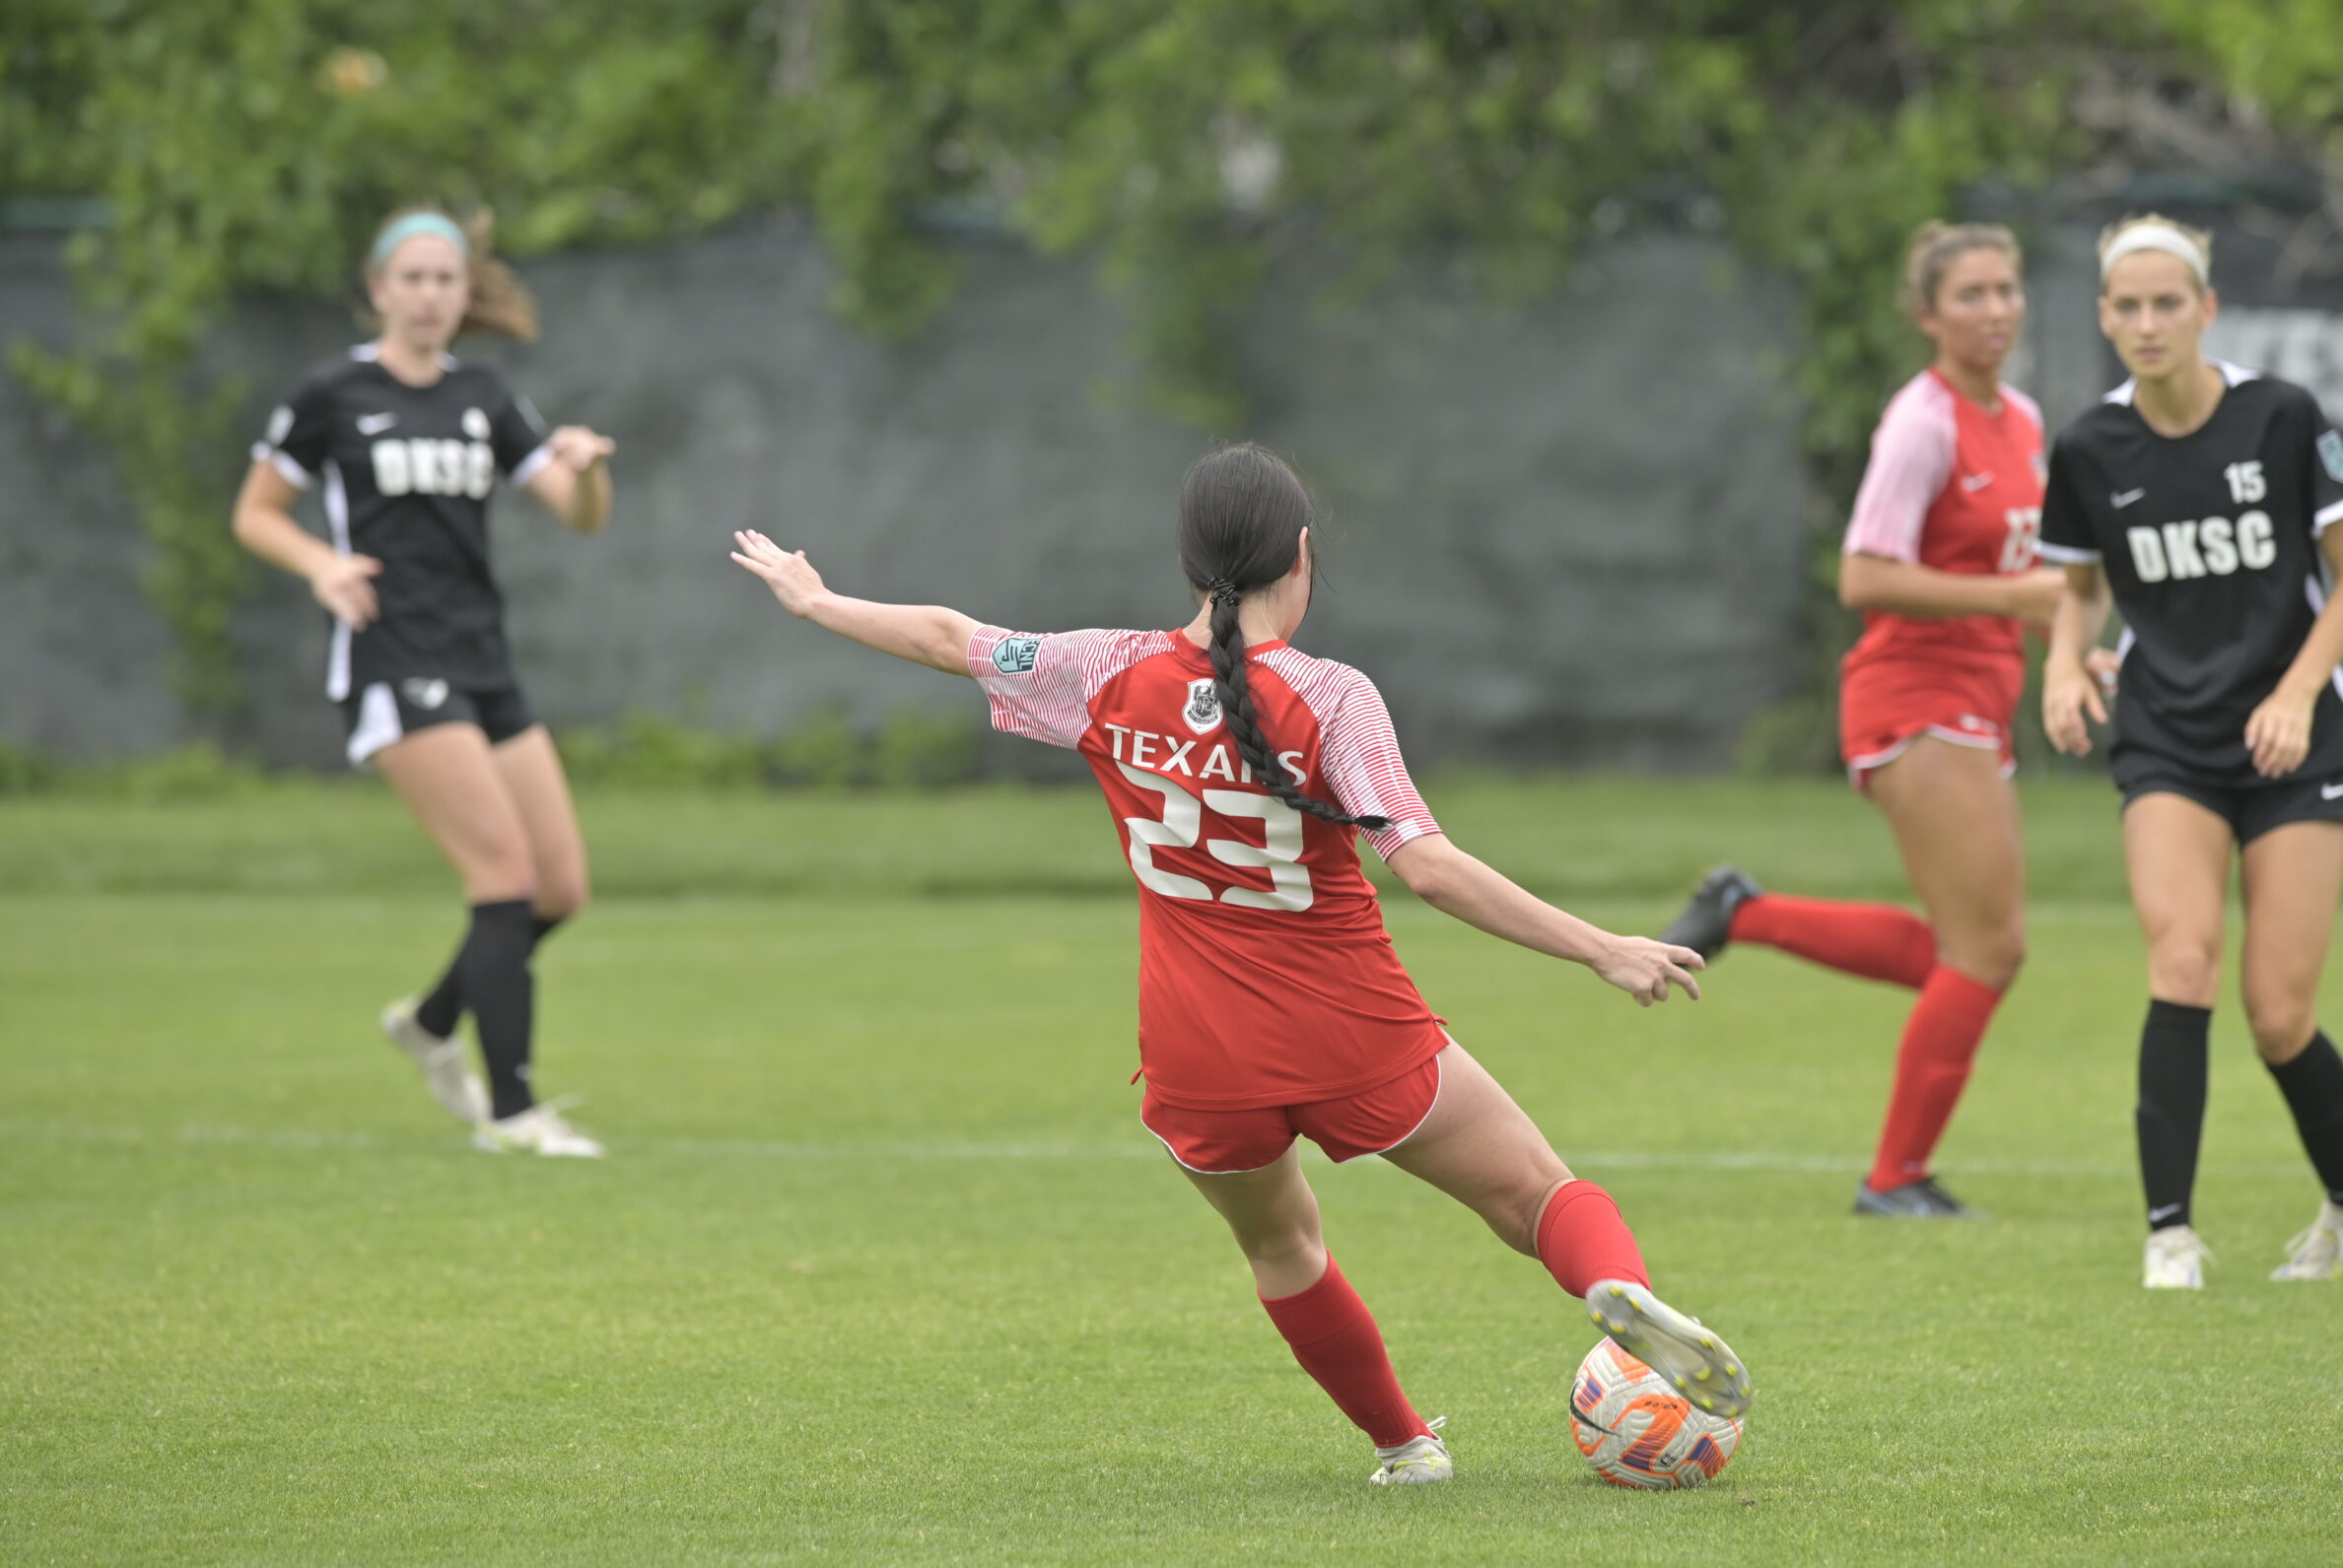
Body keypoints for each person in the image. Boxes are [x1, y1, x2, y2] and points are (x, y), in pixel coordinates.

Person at [729, 443, 1752, 1485]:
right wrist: (1602, 946)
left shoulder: (1106, 667)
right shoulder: (1334, 695)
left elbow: (953, 638)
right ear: (1300, 556)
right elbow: (1430, 870)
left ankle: (1404, 1446)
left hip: (1195, 1052)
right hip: (1350, 1028)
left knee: (1282, 1248)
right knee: (1535, 1195)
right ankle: (1619, 1291)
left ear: (1187, 562)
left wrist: (816, 600)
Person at [1661, 222, 2066, 1217]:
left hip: (1978, 695)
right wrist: (2013, 601)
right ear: (1927, 314)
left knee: (1964, 949)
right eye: (1968, 293)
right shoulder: (1921, 421)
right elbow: (1864, 572)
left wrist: (2067, 649)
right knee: (1987, 950)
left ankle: (1743, 911)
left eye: (2005, 288)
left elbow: (2037, 579)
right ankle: (1893, 1179)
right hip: (1913, 693)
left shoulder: (2018, 415)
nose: (1994, 308)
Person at [2038, 213, 2343, 1289]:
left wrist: (2290, 692)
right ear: (2104, 319)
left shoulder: (2278, 417)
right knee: (2180, 956)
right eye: (2127, 307)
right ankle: (2169, 1233)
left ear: (2205, 310)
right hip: (2166, 737)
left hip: (2294, 736)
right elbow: (2082, 585)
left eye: (2167, 303)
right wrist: (2063, 662)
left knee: (2278, 1014)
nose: (2147, 323)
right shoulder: (2090, 446)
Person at [231, 207, 618, 1158]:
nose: (431, 294)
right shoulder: (333, 392)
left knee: (560, 889)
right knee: (504, 878)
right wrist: (321, 566)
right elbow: (257, 513)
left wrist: (589, 469)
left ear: (464, 292)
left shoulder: (484, 394)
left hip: (483, 659)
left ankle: (432, 1022)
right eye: (413, 277)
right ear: (378, 288)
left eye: (447, 279)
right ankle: (513, 1112)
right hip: (393, 660)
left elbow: (579, 515)